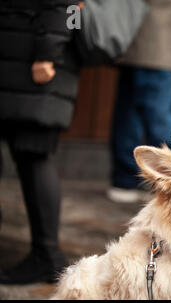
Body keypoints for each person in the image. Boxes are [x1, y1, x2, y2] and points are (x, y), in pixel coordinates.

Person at [0, 0, 81, 284]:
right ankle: (46, 255)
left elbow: (67, 6)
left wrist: (47, 54)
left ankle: (47, 255)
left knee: (33, 155)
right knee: (27, 157)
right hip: (18, 66)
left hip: (37, 69)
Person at [107, 0, 171, 203]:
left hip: (135, 32)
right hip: (157, 35)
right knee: (157, 114)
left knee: (130, 111)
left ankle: (125, 179)